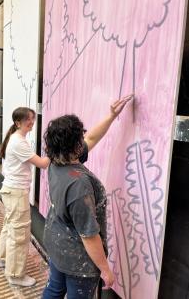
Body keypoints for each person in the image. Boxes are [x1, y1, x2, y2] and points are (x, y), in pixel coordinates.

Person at [41, 94, 133, 299]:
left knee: (54, 290)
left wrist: (111, 116)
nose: (84, 140)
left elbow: (91, 139)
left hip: (57, 243)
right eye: (79, 139)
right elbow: (89, 236)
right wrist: (106, 269)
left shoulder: (55, 161)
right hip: (78, 258)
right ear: (74, 146)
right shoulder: (78, 184)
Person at [0, 107, 50, 287]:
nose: (32, 122)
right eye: (29, 120)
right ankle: (15, 275)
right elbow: (42, 164)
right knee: (19, 233)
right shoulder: (19, 142)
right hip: (16, 193)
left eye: (33, 119)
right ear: (18, 123)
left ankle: (3, 258)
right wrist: (56, 150)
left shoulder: (17, 138)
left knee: (10, 227)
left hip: (12, 191)